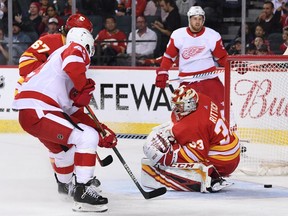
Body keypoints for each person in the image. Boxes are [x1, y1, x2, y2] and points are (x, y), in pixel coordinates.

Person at [12, 27, 117, 212]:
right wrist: (83, 86)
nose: (89, 55)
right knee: (86, 138)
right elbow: (74, 64)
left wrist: (101, 131)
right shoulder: (74, 49)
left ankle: (66, 188)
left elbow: (76, 114)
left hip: (35, 111)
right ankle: (82, 191)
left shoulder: (62, 72)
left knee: (66, 150)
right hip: (39, 109)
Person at [142, 85, 240, 192]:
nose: (175, 108)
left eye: (179, 106)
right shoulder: (202, 98)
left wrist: (167, 156)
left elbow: (196, 155)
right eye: (175, 105)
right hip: (232, 146)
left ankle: (211, 177)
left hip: (224, 162)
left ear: (189, 105)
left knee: (183, 161)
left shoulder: (193, 125)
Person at [155, 6, 227, 112]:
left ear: (203, 20)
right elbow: (169, 57)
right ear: (189, 19)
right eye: (195, 18)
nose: (197, 22)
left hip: (210, 80)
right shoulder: (178, 35)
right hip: (187, 82)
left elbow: (222, 58)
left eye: (200, 19)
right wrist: (162, 73)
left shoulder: (212, 35)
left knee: (223, 111)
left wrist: (234, 65)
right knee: (185, 114)